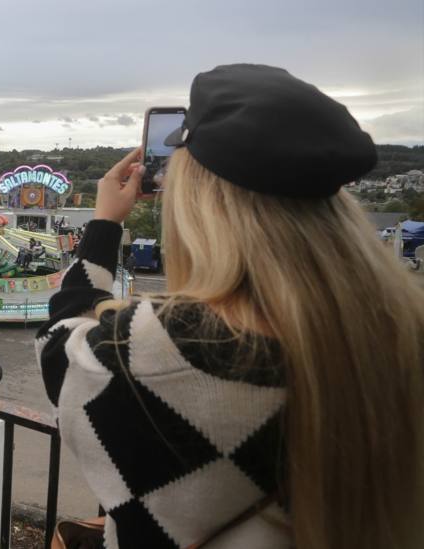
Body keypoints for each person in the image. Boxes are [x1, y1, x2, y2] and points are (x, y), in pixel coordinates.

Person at [36, 65, 424, 548]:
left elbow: (58, 349)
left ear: (203, 205)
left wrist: (103, 226)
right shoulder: (400, 329)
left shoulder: (170, 349)